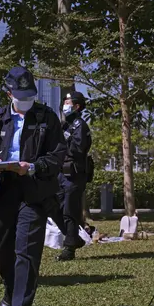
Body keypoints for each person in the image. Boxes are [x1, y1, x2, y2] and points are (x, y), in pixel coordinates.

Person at [0, 66, 66, 306]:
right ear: (9, 94)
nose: (26, 100)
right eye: (21, 95)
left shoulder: (47, 117)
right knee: (1, 245)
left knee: (28, 251)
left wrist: (32, 166)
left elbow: (58, 155)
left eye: (30, 95)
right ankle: (10, 290)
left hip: (33, 191)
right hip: (2, 189)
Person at [53, 91, 92, 261]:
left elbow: (77, 149)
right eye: (64, 102)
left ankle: (69, 248)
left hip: (74, 175)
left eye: (68, 102)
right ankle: (74, 238)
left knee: (69, 210)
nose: (65, 105)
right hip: (61, 174)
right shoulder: (64, 125)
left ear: (76, 106)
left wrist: (63, 145)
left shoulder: (79, 126)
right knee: (55, 207)